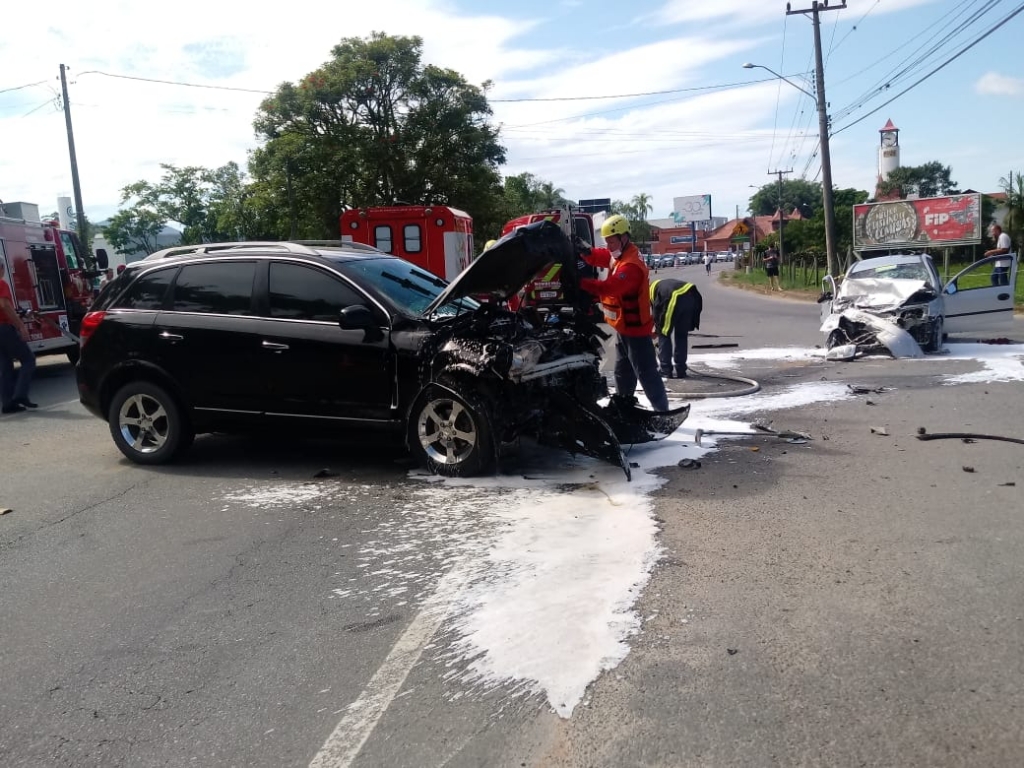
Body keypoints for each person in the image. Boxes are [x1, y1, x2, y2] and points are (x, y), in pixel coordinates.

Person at [578, 214, 669, 412]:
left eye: (612, 241)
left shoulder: (630, 266)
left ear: (624, 237)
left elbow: (610, 288)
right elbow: (603, 256)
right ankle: (623, 407)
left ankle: (662, 411)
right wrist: (586, 252)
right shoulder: (619, 255)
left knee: (647, 374)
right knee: (623, 372)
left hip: (637, 332)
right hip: (624, 329)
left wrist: (581, 283)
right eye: (607, 242)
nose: (609, 246)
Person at [0, 260, 38, 414]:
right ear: (2, 268)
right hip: (4, 328)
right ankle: (21, 394)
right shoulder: (1, 284)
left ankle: (7, 403)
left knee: (5, 367)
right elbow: (4, 305)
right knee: (28, 359)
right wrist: (21, 325)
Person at [650, 278, 703, 379]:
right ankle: (681, 370)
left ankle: (665, 370)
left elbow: (656, 314)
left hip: (674, 296)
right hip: (691, 295)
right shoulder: (660, 285)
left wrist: (657, 330)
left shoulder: (651, 292)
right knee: (681, 335)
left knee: (664, 333)